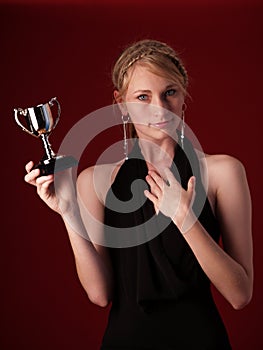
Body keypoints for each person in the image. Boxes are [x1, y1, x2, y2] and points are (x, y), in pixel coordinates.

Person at [25, 39, 253, 349]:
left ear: (184, 95)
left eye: (169, 92)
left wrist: (185, 218)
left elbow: (240, 295)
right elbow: (99, 294)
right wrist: (68, 212)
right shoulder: (95, 181)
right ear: (121, 104)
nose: (160, 108)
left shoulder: (223, 173)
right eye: (143, 97)